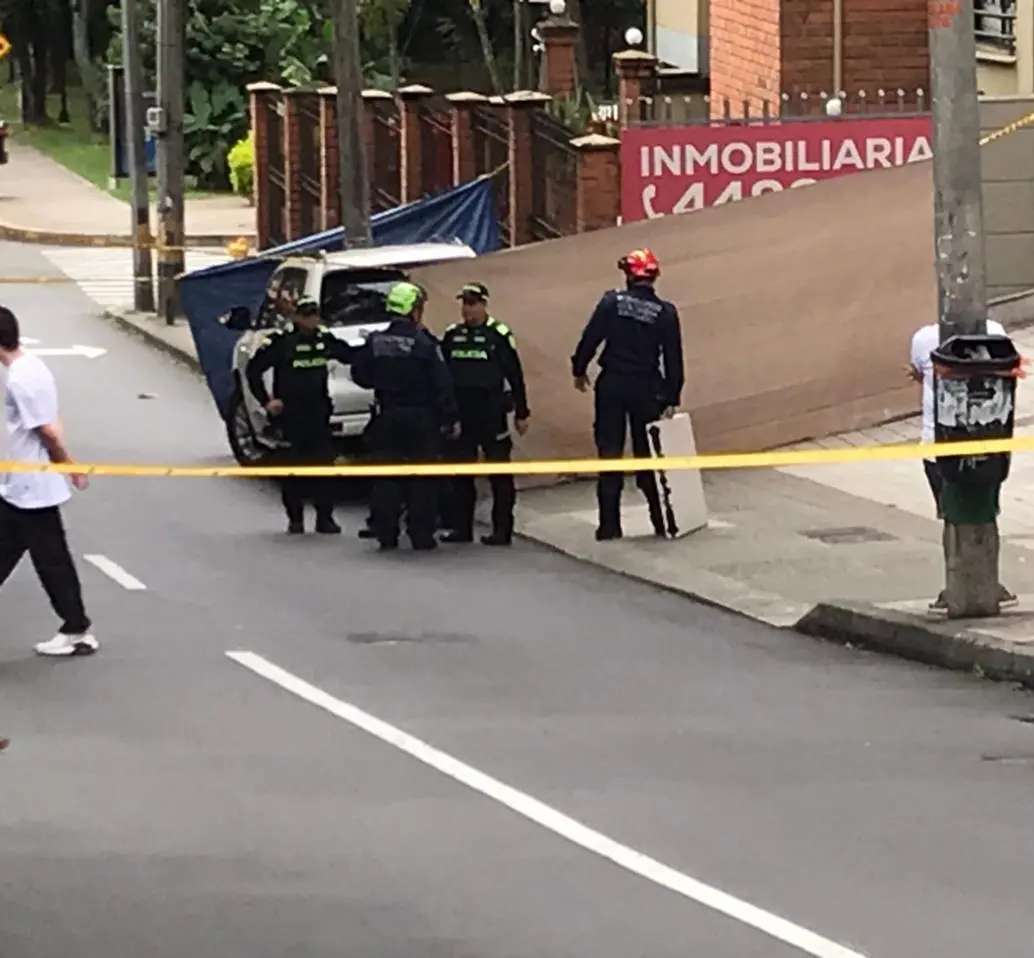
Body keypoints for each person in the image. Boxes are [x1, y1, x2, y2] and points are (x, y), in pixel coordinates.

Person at [0, 305, 97, 656]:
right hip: (23, 484)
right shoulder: (33, 366)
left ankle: (77, 628)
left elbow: (47, 432)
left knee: (51, 561)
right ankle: (77, 626)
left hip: (30, 487)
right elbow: (53, 422)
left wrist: (70, 466)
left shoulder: (20, 381)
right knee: (48, 558)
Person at [570, 249, 684, 541]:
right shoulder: (666, 312)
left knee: (610, 455)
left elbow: (590, 338)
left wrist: (579, 368)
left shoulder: (611, 303)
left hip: (612, 386)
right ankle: (662, 523)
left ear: (629, 275)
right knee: (648, 457)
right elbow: (673, 359)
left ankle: (609, 526)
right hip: (647, 389)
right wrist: (672, 397)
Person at [908, 318, 1017, 609]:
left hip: (940, 446)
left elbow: (918, 373)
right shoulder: (996, 333)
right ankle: (985, 582)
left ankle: (960, 583)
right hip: (990, 441)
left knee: (952, 516)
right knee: (985, 512)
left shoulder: (923, 338)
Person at [350, 282, 459, 550]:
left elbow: (359, 375)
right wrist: (449, 418)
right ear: (413, 310)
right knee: (423, 477)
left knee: (387, 475)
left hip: (387, 415)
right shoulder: (424, 344)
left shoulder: (375, 342)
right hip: (421, 418)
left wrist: (382, 382)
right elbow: (442, 384)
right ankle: (420, 535)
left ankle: (386, 532)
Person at [246, 297, 355, 534]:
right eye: (307, 314)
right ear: (295, 317)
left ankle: (325, 518)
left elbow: (349, 355)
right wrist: (267, 401)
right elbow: (253, 371)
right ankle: (295, 519)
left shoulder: (323, 338)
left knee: (323, 467)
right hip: (291, 416)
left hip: (318, 413)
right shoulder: (281, 342)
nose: (312, 319)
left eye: (315, 314)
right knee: (293, 469)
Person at [439, 282, 529, 546]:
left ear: (484, 304)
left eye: (473, 303)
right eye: (465, 303)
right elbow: (442, 376)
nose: (468, 309)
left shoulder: (498, 334)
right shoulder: (452, 334)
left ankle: (502, 530)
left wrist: (522, 412)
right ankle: (461, 528)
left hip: (492, 413)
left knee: (499, 474)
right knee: (461, 474)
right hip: (462, 414)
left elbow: (515, 374)